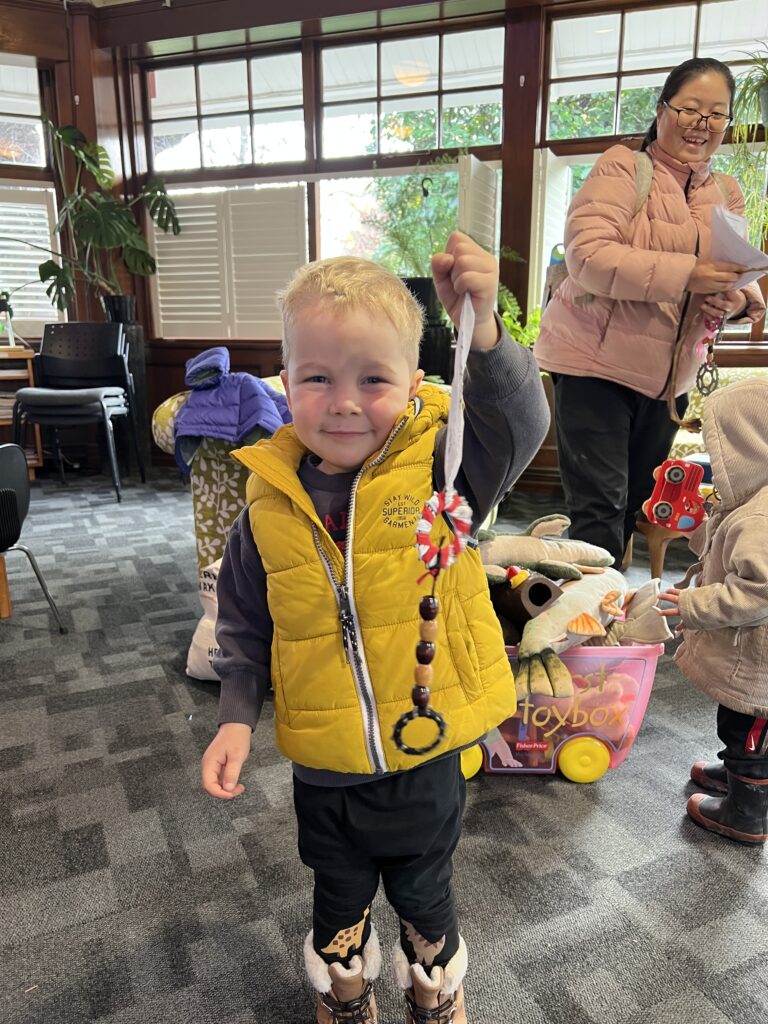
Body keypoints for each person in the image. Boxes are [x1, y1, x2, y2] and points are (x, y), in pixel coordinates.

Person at [200, 232, 550, 1024]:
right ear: (285, 381)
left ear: (416, 383)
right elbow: (244, 625)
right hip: (325, 764)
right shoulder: (268, 505)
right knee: (337, 893)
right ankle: (346, 991)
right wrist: (234, 718)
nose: (345, 401)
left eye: (373, 379)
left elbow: (521, 424)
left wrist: (484, 331)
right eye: (317, 377)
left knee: (427, 894)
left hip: (424, 753)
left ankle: (434, 988)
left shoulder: (444, 473)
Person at [534, 57, 765, 567]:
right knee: (599, 510)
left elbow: (733, 269)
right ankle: (592, 614)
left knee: (637, 504)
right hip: (595, 365)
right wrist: (689, 273)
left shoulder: (726, 192)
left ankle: (607, 605)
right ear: (662, 110)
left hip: (667, 381)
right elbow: (589, 256)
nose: (701, 124)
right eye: (689, 109)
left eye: (716, 114)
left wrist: (735, 299)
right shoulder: (623, 167)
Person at [658, 379, 768, 845]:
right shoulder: (753, 503)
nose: (716, 462)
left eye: (722, 447)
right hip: (750, 652)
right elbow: (729, 549)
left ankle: (748, 811)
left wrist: (692, 604)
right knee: (739, 723)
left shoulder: (761, 517)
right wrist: (693, 527)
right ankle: (738, 772)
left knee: (750, 729)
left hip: (759, 663)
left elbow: (758, 591)